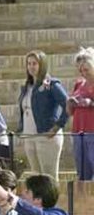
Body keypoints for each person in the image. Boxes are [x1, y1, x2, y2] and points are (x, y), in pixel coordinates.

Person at [17, 50, 69, 180]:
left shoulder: (51, 84)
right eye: (29, 63)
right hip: (29, 136)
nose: (31, 67)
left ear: (42, 65)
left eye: (35, 63)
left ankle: (52, 201)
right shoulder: (27, 86)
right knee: (36, 177)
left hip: (46, 135)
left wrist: (57, 127)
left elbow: (68, 104)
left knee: (48, 178)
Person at [68, 47, 94, 180]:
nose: (84, 73)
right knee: (82, 173)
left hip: (93, 133)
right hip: (78, 132)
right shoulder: (79, 84)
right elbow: (70, 112)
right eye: (81, 70)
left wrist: (91, 103)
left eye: (86, 70)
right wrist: (70, 103)